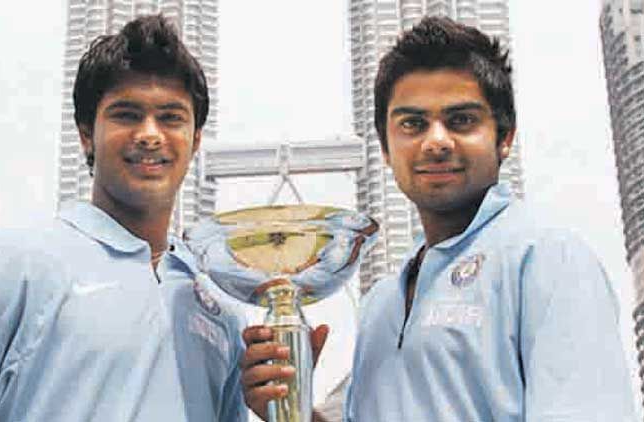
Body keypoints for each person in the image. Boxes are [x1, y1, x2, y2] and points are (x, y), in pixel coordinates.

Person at [240, 16, 637, 421]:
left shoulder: (548, 260)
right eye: (413, 124)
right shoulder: (382, 303)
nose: (436, 142)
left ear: (505, 137)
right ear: (386, 145)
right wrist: (292, 403)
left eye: (461, 120)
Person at [0, 14, 246, 422]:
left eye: (171, 117)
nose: (150, 133)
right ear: (86, 134)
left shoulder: (220, 309)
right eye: (126, 114)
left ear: (196, 139)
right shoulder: (16, 262)